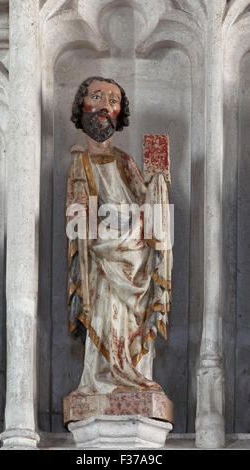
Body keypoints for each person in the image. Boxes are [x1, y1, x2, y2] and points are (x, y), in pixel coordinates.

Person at [66, 76, 172, 395]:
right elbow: (76, 221)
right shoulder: (79, 162)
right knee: (104, 313)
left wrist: (158, 182)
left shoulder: (124, 161)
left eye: (113, 102)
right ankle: (101, 380)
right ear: (82, 107)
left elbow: (145, 199)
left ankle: (132, 372)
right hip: (100, 256)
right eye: (97, 97)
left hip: (133, 253)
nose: (104, 107)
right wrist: (88, 216)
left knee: (129, 319)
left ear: (119, 114)